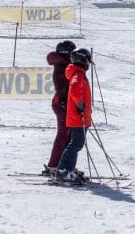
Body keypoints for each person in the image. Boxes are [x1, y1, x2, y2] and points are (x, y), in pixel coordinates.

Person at [54, 48, 92, 183]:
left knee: (76, 144)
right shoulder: (78, 74)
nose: (88, 63)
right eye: (88, 60)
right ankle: (62, 170)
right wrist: (80, 104)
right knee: (76, 143)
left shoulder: (78, 73)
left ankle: (69, 170)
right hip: (77, 117)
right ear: (83, 60)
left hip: (79, 117)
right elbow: (75, 89)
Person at [44, 40, 76, 177]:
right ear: (66, 53)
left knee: (68, 136)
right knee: (63, 135)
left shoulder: (64, 65)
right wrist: (64, 100)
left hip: (65, 103)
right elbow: (62, 86)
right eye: (72, 53)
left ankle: (62, 165)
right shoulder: (62, 67)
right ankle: (54, 165)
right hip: (62, 104)